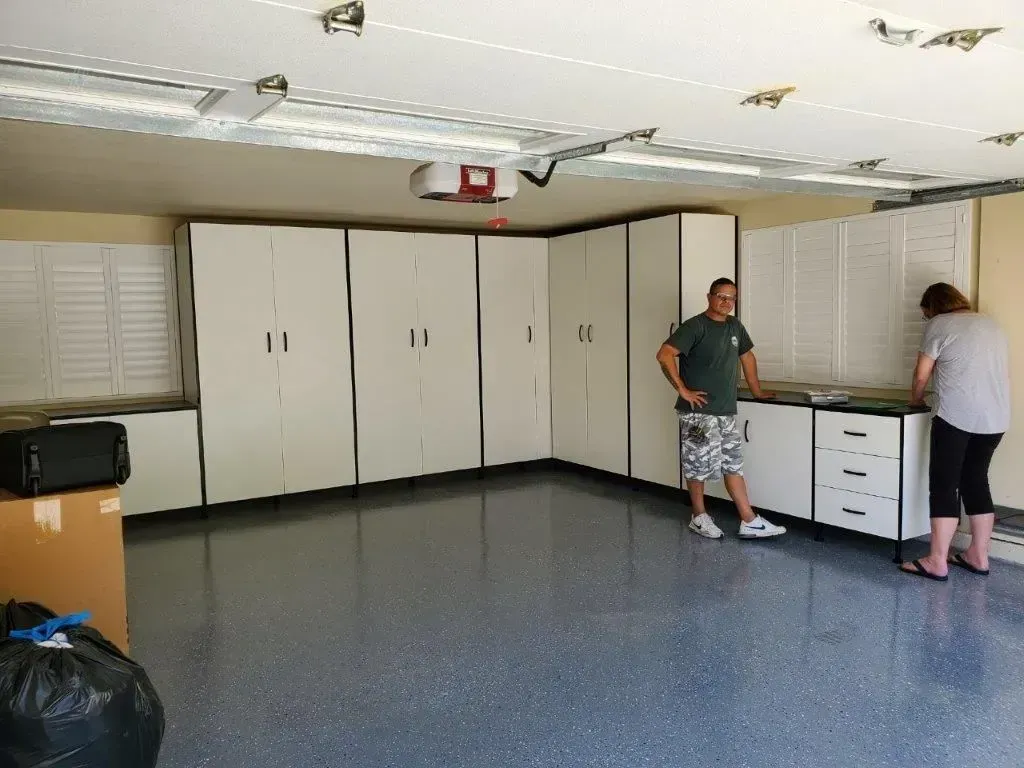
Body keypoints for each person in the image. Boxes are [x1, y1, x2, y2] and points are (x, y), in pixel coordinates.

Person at [655, 277, 787, 539]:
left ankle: (749, 520)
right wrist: (682, 389)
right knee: (697, 465)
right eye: (721, 296)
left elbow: (747, 356)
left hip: (725, 412)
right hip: (698, 414)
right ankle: (698, 517)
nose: (727, 302)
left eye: (732, 298)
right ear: (709, 297)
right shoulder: (695, 326)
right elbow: (664, 354)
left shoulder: (734, 326)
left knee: (733, 465)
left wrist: (757, 391)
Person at [900, 283, 1010, 581]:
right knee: (976, 481)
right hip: (996, 418)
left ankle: (937, 561)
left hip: (955, 416)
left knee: (944, 485)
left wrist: (916, 399)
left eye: (925, 313)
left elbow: (921, 374)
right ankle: (979, 556)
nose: (926, 318)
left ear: (933, 307)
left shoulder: (939, 324)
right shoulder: (991, 324)